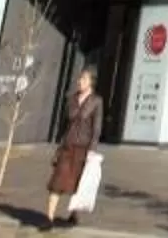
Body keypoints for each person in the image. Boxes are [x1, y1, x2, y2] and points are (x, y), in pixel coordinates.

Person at [42, 65, 102, 230]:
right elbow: (65, 123)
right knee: (56, 182)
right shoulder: (71, 99)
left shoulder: (96, 101)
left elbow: (96, 128)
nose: (79, 82)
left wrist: (92, 150)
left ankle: (74, 215)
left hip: (82, 149)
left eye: (83, 79)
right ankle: (49, 218)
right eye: (79, 78)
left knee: (78, 184)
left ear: (91, 82)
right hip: (67, 147)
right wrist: (59, 144)